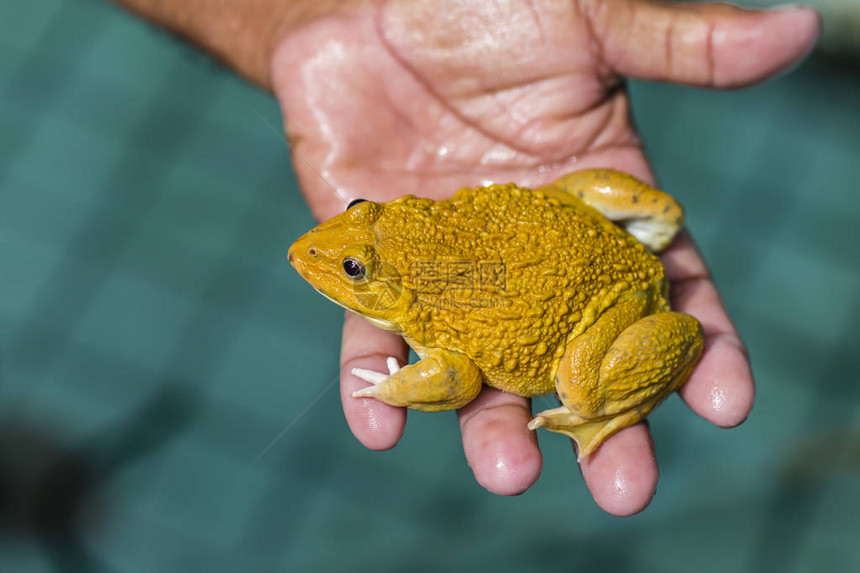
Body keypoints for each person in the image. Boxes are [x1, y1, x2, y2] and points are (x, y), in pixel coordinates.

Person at [115, 0, 820, 515]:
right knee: (573, 198)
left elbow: (452, 377)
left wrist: (394, 387)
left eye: (356, 258)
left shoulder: (428, 293)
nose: (322, 251)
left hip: (601, 311)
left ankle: (601, 408)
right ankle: (649, 230)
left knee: (580, 383)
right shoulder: (420, 230)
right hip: (587, 225)